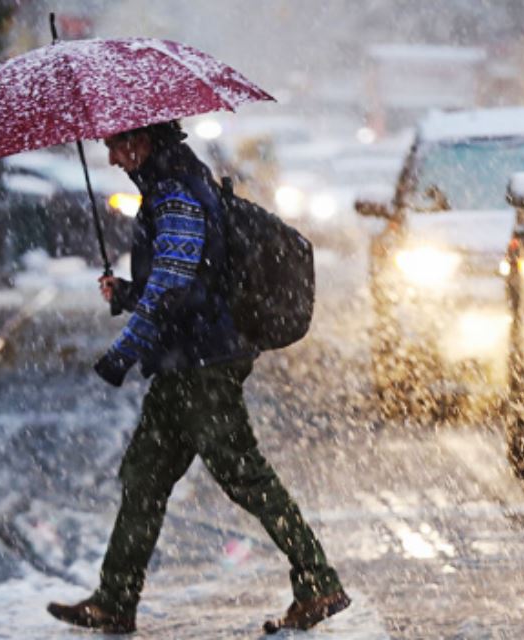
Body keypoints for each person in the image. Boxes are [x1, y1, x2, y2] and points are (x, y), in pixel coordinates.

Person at [47, 121, 349, 634]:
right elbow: (180, 280)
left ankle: (317, 581)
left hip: (203, 364)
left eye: (117, 146)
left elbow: (173, 288)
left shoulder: (176, 194)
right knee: (144, 476)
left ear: (142, 140)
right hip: (182, 363)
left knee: (244, 476)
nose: (113, 158)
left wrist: (122, 353)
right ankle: (115, 600)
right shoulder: (171, 187)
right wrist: (126, 293)